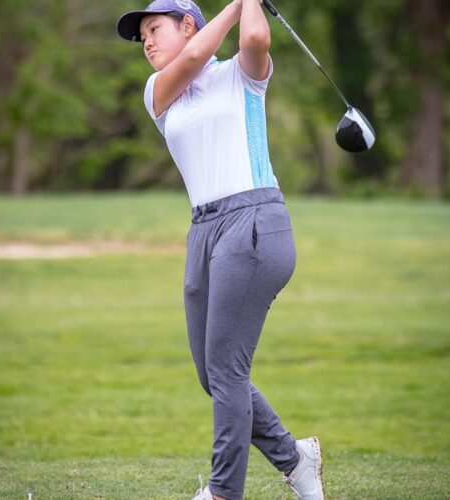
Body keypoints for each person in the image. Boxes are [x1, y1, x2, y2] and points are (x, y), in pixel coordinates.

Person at [117, 1, 324, 499]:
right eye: (141, 35)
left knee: (228, 370)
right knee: (214, 375)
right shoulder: (157, 91)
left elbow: (255, 40)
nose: (145, 41)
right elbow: (187, 63)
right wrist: (234, 6)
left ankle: (222, 492)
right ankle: (295, 459)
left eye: (154, 29)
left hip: (254, 221)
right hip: (204, 231)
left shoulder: (241, 77)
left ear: (189, 24)